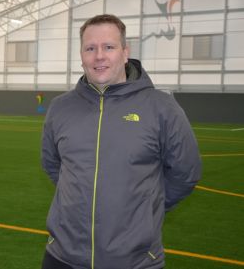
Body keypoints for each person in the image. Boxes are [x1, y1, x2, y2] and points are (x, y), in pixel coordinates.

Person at [41, 14, 202, 269]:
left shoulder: (161, 107)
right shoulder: (60, 107)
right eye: (90, 48)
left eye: (109, 47)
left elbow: (186, 173)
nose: (99, 56)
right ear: (81, 55)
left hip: (135, 262)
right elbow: (53, 166)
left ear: (125, 53)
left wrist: (145, 210)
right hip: (63, 258)